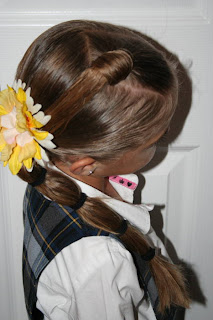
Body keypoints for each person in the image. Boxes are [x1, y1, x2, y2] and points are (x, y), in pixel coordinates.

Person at [0, 20, 190, 320]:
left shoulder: (47, 172)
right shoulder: (100, 260)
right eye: (158, 138)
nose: (168, 131)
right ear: (88, 164)